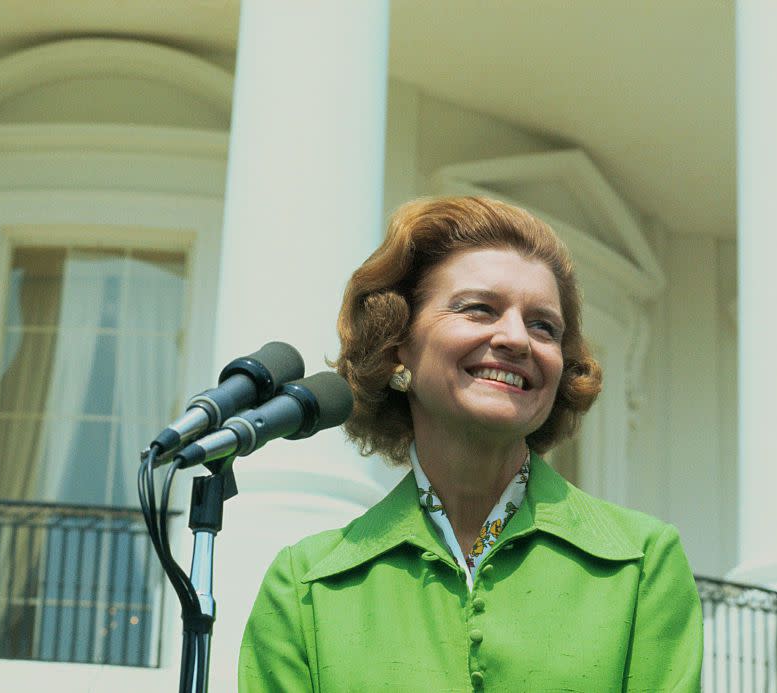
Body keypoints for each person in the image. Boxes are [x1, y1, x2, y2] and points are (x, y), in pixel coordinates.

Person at [239, 196, 703, 691]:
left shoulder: (642, 564)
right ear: (397, 342)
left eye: (543, 326)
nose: (517, 339)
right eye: (479, 309)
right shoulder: (305, 587)